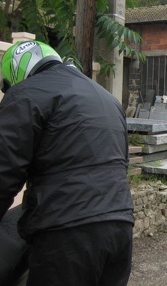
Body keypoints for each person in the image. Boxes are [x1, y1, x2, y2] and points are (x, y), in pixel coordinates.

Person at [0, 41, 134, 285]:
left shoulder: (26, 93)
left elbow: (4, 171)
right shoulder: (108, 98)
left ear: (16, 73)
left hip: (67, 235)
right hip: (121, 229)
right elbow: (121, 164)